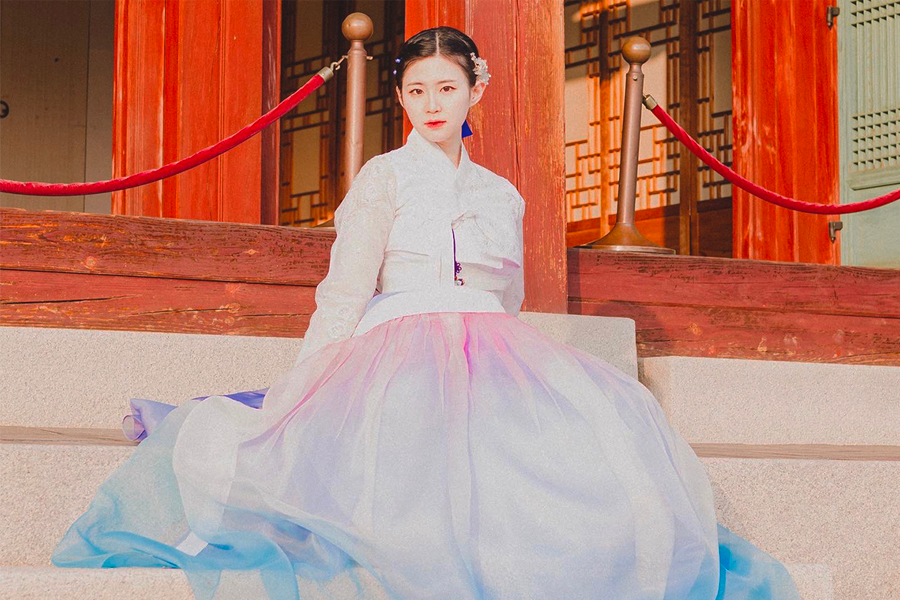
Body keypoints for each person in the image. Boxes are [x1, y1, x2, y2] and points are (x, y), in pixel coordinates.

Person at [51, 26, 802, 600]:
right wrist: (306, 385)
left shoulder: (503, 194)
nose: (432, 104)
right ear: (402, 98)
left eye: (446, 87)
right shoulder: (383, 177)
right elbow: (346, 289)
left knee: (588, 447)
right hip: (397, 347)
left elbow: (507, 298)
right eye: (416, 91)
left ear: (476, 88)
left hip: (494, 347)